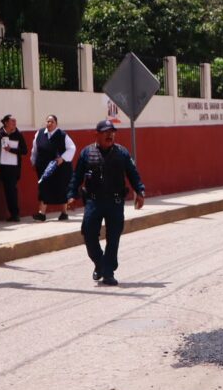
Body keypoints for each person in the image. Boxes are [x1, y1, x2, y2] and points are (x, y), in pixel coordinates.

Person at [67, 120, 145, 286]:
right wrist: (71, 195)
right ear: (97, 134)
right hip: (93, 202)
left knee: (113, 238)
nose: (110, 135)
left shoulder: (122, 153)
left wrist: (140, 191)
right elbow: (77, 176)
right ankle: (100, 263)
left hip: (115, 202)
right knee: (89, 235)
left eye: (112, 132)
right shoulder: (87, 153)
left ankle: (108, 272)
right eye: (105, 132)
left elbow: (133, 173)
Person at [30, 114, 77, 221]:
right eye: (48, 121)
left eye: (52, 122)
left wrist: (62, 158)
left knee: (61, 189)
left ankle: (64, 213)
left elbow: (72, 148)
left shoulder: (62, 135)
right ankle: (41, 213)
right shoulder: (39, 133)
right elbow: (35, 149)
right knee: (43, 188)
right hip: (43, 167)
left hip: (59, 167)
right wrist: (33, 161)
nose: (49, 123)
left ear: (56, 123)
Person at [0, 114, 27, 222]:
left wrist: (12, 150)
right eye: (12, 121)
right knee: (9, 190)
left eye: (15, 121)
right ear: (6, 123)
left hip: (14, 167)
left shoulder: (18, 134)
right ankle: (14, 213)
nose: (14, 124)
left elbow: (24, 150)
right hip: (4, 167)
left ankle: (15, 213)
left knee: (12, 190)